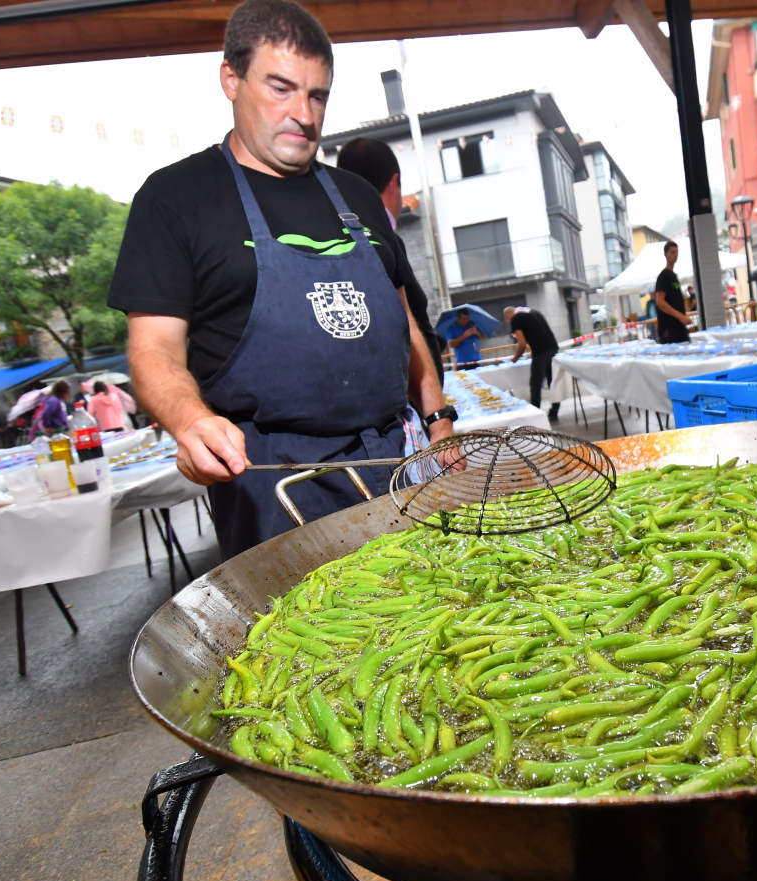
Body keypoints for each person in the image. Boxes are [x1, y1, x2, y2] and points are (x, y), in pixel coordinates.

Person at [107, 0, 453, 559]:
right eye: (280, 88)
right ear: (231, 78)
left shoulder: (357, 196)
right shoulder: (176, 199)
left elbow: (401, 320)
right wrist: (190, 421)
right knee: (315, 638)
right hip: (275, 482)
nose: (304, 114)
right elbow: (154, 350)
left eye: (318, 95)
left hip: (398, 463)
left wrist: (436, 416)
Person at [335, 136, 445, 384]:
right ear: (394, 181)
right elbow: (409, 326)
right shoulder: (382, 239)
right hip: (400, 400)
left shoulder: (331, 237)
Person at [504, 306, 559, 416]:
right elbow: (539, 331)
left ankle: (535, 414)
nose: (508, 321)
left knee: (535, 383)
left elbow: (522, 344)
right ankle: (554, 410)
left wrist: (515, 358)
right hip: (552, 347)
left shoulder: (516, 319)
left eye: (507, 319)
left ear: (508, 316)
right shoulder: (532, 312)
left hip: (541, 351)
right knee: (551, 381)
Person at [652, 241, 691, 344]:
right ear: (666, 254)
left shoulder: (673, 275)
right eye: (672, 252)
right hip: (669, 328)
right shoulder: (664, 276)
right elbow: (660, 302)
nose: (675, 255)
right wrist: (680, 316)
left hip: (679, 326)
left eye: (677, 252)